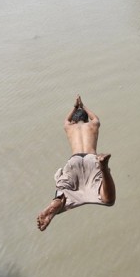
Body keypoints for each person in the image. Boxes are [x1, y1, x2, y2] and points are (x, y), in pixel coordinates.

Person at [36, 95, 116, 231]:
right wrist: (83, 105)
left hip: (74, 160)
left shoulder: (69, 127)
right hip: (92, 159)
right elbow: (95, 118)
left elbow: (66, 120)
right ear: (85, 119)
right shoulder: (93, 125)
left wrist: (75, 106)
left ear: (74, 121)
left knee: (65, 189)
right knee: (108, 200)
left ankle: (58, 201)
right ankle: (103, 168)